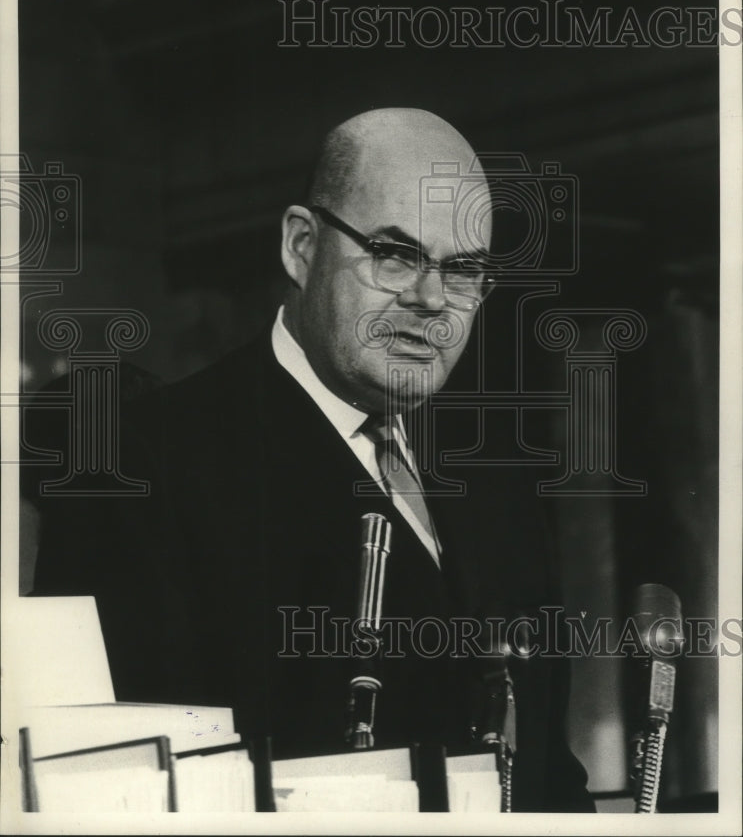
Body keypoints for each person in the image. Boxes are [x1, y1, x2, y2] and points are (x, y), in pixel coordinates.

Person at [33, 107, 594, 811]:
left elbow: (545, 774)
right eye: (395, 254)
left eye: (462, 271)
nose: (429, 300)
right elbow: (117, 796)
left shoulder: (496, 477)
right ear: (301, 246)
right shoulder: (140, 464)